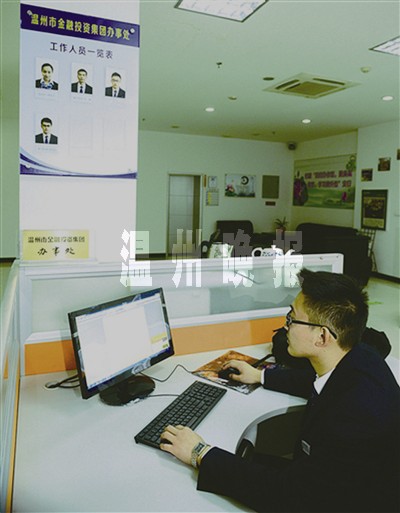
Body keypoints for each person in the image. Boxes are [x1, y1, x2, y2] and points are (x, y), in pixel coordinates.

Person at [160, 269, 400, 513]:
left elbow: (289, 496)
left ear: (322, 337)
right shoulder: (361, 356)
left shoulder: (354, 418)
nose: (286, 326)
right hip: (334, 484)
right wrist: (260, 376)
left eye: (292, 319)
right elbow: (316, 380)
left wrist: (200, 453)